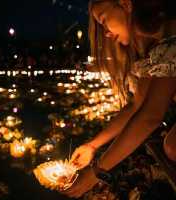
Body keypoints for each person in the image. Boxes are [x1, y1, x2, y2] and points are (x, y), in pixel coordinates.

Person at [63, 0, 176, 198]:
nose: (106, 32)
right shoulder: (158, 50)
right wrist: (92, 145)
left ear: (125, 3)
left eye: (104, 19)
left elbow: (150, 116)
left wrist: (96, 173)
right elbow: (136, 106)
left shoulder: (171, 41)